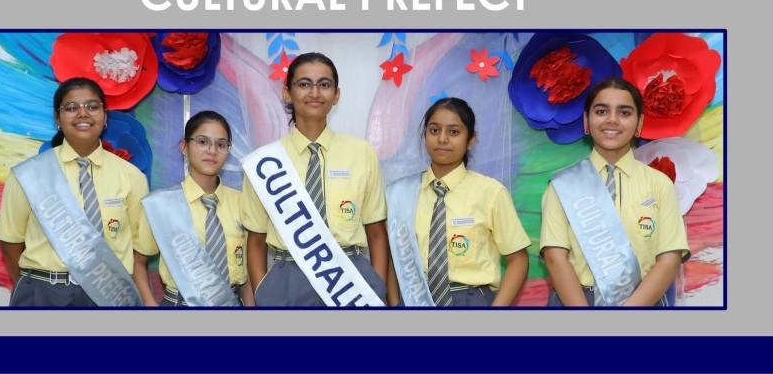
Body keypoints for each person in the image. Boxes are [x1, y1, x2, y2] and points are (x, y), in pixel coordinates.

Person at [240, 52, 389, 306]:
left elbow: (376, 232)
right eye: (304, 84)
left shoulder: (361, 153)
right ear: (287, 93)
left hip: (352, 280)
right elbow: (254, 240)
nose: (315, 92)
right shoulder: (265, 163)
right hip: (285, 281)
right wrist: (262, 293)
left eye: (324, 84)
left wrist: (377, 286)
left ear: (337, 94)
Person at [0, 77, 150, 307]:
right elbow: (10, 242)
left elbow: (140, 249)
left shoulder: (131, 177)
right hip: (43, 295)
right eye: (71, 108)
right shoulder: (28, 174)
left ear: (105, 117)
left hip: (111, 296)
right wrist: (37, 287)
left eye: (92, 106)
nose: (83, 114)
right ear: (57, 118)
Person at [541, 77, 690, 307]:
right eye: (601, 111)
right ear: (586, 121)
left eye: (624, 113)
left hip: (644, 303)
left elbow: (669, 259)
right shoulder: (562, 185)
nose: (612, 120)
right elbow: (554, 257)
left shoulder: (660, 184)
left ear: (639, 123)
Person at [388, 97, 530, 307]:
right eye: (434, 130)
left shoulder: (491, 192)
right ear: (424, 135)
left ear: (471, 139)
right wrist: (394, 303)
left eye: (454, 132)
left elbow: (518, 260)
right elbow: (395, 259)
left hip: (471, 300)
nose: (442, 139)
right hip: (414, 298)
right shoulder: (401, 193)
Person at [133, 111, 253, 306]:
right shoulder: (160, 205)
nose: (212, 150)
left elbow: (247, 270)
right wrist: (150, 303)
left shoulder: (242, 203)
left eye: (221, 144)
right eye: (202, 142)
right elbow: (139, 262)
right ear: (184, 147)